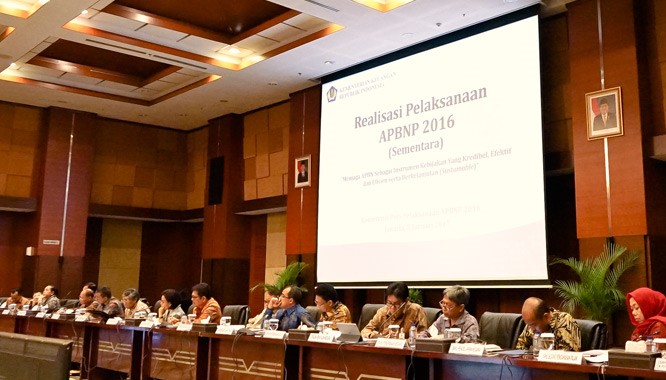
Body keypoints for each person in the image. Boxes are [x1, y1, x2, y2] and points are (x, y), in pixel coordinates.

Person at [361, 282, 428, 339]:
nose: (392, 308)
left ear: (406, 301)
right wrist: (374, 335)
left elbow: (424, 336)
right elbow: (365, 330)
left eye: (396, 304)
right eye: (389, 303)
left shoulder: (416, 311)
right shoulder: (383, 311)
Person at [516, 297, 580, 351]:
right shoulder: (532, 323)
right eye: (528, 324)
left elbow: (568, 355)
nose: (531, 329)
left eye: (533, 325)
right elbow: (520, 347)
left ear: (546, 317)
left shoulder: (564, 321)